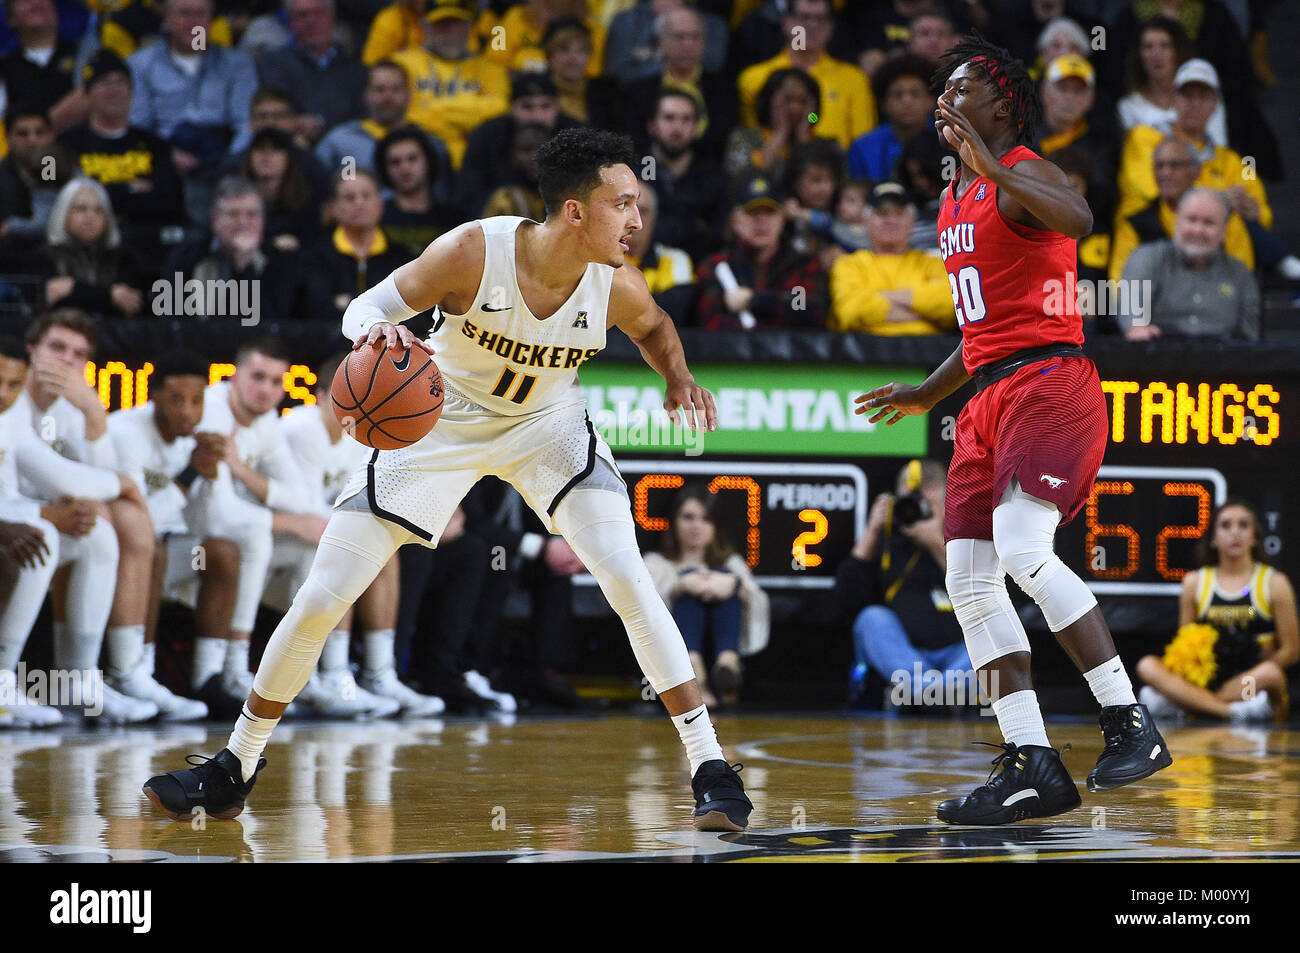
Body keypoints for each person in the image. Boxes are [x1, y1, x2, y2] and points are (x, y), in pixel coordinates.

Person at [143, 127, 755, 833]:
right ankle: (233, 766)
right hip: (442, 420)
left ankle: (710, 765)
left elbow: (656, 328)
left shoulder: (616, 283)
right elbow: (363, 306)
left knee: (626, 575)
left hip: (548, 425)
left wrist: (677, 377)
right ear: (577, 211)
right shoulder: (475, 249)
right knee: (322, 594)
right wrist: (380, 334)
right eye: (624, 204)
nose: (638, 221)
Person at [858, 36, 1172, 826]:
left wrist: (998, 172)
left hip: (1049, 383)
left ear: (1001, 100)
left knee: (1026, 551)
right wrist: (929, 392)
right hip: (985, 400)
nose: (944, 95)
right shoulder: (953, 198)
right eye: (941, 86)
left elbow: (1081, 216)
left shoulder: (1028, 170)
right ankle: (1031, 759)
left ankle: (1127, 719)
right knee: (968, 580)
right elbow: (979, 331)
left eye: (960, 84)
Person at [273, 353, 441, 716]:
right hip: (275, 538)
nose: (358, 404)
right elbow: (302, 508)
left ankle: (379, 672)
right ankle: (334, 675)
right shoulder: (301, 429)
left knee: (383, 547)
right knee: (351, 545)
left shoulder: (362, 432)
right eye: (349, 395)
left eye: (364, 394)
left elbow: (371, 501)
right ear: (319, 396)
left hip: (311, 537)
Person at [0, 334, 146, 727]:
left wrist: (119, 485)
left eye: (13, 384)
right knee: (40, 534)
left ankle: (77, 681)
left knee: (95, 534)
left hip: (10, 525)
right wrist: (42, 515)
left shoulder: (10, 418)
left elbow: (54, 471)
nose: (3, 394)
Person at [107, 349, 240, 722]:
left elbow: (204, 522)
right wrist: (188, 476)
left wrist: (211, 476)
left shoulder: (193, 441)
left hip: (171, 551)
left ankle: (207, 677)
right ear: (154, 396)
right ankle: (136, 673)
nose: (187, 412)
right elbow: (137, 521)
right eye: (177, 400)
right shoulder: (124, 432)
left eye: (197, 401)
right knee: (152, 548)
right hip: (121, 554)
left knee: (223, 552)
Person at [1136, 499, 1297, 724]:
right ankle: (1229, 712)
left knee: (1271, 672)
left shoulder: (1274, 582)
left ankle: (1190, 704)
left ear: (1255, 537)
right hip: (1207, 681)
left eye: (1243, 525)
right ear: (1213, 538)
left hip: (1250, 684)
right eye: (1225, 525)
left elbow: (1291, 650)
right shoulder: (1195, 582)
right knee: (1147, 666)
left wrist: (1245, 678)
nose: (1235, 533)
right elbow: (1185, 646)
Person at [837, 459, 970, 708]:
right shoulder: (889, 540)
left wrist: (935, 541)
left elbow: (980, 590)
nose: (919, 510)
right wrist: (872, 531)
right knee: (871, 619)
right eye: (912, 502)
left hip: (959, 655)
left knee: (996, 634)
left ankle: (924, 694)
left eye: (928, 504)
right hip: (905, 657)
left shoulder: (966, 537)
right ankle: (938, 694)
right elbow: (846, 601)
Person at [643, 486, 769, 708]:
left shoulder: (731, 563)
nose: (696, 527)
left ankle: (727, 663)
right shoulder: (655, 563)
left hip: (718, 642)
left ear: (715, 526)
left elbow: (758, 603)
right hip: (671, 656)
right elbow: (641, 610)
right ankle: (692, 669)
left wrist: (734, 585)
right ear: (674, 521)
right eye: (688, 518)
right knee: (689, 594)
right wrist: (680, 586)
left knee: (727, 583)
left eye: (705, 519)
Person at [57, 50, 187, 260]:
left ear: (131, 91)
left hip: (148, 245)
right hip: (85, 246)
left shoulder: (155, 144)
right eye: (104, 83)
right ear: (87, 94)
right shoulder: (66, 144)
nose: (114, 90)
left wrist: (99, 190)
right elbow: (65, 201)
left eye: (121, 82)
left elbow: (170, 202)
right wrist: (133, 188)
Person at [693, 171, 828, 331]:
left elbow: (812, 311)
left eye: (770, 212)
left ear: (782, 219)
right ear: (735, 221)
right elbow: (711, 323)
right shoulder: (715, 267)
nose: (761, 221)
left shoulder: (804, 266)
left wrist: (754, 300)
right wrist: (779, 312)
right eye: (752, 212)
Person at [1119, 187, 1259, 341]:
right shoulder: (1147, 258)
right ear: (1176, 222)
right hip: (1158, 357)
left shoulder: (1239, 273)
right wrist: (1136, 328)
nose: (1198, 230)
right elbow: (1131, 313)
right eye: (1191, 220)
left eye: (1208, 223)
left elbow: (1250, 337)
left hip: (1222, 360)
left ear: (1224, 232)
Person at [1109, 136, 1253, 282]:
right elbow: (1120, 283)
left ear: (1196, 171)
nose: (1165, 173)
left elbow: (1241, 279)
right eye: (1159, 166)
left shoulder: (1224, 220)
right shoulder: (1134, 225)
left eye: (1175, 165)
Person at [737, 0, 877, 151]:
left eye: (820, 19)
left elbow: (864, 146)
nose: (812, 26)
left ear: (831, 27)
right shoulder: (755, 78)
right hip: (769, 166)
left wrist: (810, 119)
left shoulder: (853, 79)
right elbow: (749, 142)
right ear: (786, 22)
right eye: (804, 17)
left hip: (833, 167)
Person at [389, 0, 509, 169]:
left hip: (476, 159)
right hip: (421, 159)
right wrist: (467, 117)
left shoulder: (491, 68)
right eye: (441, 24)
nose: (450, 31)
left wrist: (432, 108)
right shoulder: (402, 64)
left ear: (469, 26)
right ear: (426, 27)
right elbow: (404, 116)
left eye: (456, 23)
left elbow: (498, 110)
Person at [829, 181, 955, 335]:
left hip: (927, 354)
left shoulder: (933, 263)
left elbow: (951, 308)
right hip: (869, 353)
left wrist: (881, 297)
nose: (891, 220)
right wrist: (924, 314)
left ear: (912, 222)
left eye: (899, 213)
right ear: (866, 222)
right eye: (882, 213)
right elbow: (850, 312)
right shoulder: (848, 265)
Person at [32, 177, 150, 318]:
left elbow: (131, 304)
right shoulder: (44, 257)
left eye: (98, 210)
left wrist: (72, 289)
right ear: (63, 213)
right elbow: (47, 301)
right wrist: (111, 296)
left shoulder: (125, 258)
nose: (90, 217)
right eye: (81, 209)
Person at [254, 0, 367, 142]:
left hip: (344, 148)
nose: (311, 21)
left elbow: (362, 118)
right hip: (289, 143)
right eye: (302, 15)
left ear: (333, 17)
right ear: (289, 22)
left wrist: (321, 122)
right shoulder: (270, 64)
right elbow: (273, 107)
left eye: (319, 14)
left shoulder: (357, 70)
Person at [642, 88, 727, 264]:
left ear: (696, 127)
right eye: (669, 118)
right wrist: (693, 226)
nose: (677, 127)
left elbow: (717, 236)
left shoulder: (713, 176)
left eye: (686, 119)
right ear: (652, 126)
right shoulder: (636, 172)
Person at [847, 54, 935, 184]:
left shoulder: (948, 143)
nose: (907, 102)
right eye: (898, 95)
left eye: (915, 94)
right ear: (884, 104)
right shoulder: (862, 148)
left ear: (931, 101)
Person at [723, 67, 819, 182]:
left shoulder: (826, 146)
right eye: (787, 100)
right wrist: (781, 132)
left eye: (802, 101)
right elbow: (742, 180)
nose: (795, 108)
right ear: (769, 101)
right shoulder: (743, 139)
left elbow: (818, 182)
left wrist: (803, 136)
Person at [375, 126, 457, 254]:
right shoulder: (375, 218)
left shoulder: (453, 219)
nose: (404, 168)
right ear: (385, 169)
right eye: (395, 162)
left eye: (412, 159)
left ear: (428, 161)